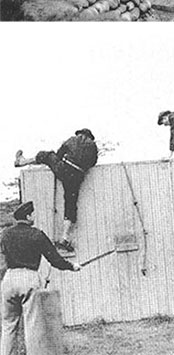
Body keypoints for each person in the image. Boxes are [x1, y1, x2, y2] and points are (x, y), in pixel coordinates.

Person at [0, 201, 81, 355]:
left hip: (9, 279)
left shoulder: (5, 234)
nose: (34, 217)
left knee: (8, 325)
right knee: (33, 325)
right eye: (33, 214)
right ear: (28, 216)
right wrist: (72, 266)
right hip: (29, 279)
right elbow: (55, 260)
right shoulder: (37, 234)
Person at [14, 129, 98, 252]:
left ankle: (22, 162)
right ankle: (64, 238)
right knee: (70, 205)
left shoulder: (72, 139)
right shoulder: (93, 146)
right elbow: (93, 163)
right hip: (78, 176)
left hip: (64, 169)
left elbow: (59, 154)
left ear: (80, 133)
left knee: (47, 155)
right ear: (90, 137)